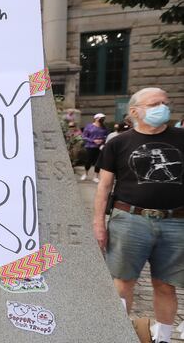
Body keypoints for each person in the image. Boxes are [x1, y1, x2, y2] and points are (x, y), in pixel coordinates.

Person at [94, 87, 183, 343]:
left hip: (175, 222)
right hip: (129, 220)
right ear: (135, 111)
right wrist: (98, 223)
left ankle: (164, 337)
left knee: (166, 285)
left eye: (166, 102)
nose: (163, 107)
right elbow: (104, 186)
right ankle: (118, 334)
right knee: (123, 283)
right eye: (155, 103)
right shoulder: (118, 143)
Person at [81, 113, 109, 183]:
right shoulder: (89, 126)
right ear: (96, 118)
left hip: (100, 147)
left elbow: (106, 136)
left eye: (103, 118)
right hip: (90, 146)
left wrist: (102, 140)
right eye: (101, 118)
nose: (102, 119)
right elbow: (84, 136)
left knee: (98, 161)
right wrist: (93, 140)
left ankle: (96, 176)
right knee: (89, 160)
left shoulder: (104, 127)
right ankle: (85, 173)